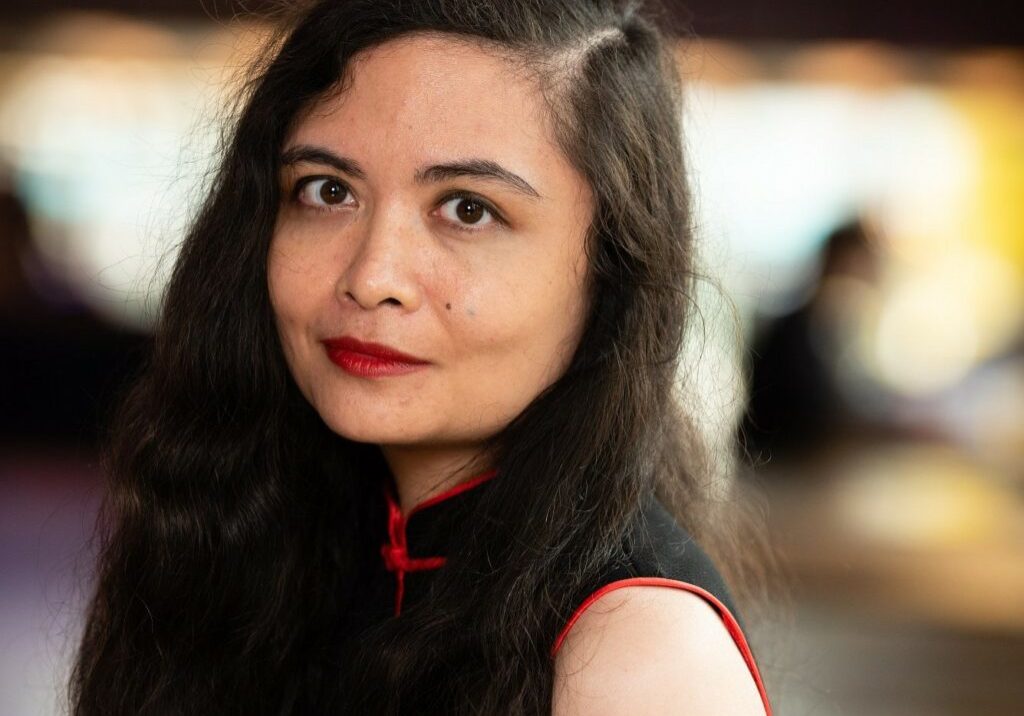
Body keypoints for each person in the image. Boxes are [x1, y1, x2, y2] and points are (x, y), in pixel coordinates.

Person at [69, 1, 774, 713]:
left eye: (468, 208)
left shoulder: (638, 650)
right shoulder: (255, 544)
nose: (372, 276)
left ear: (612, 272)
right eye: (328, 191)